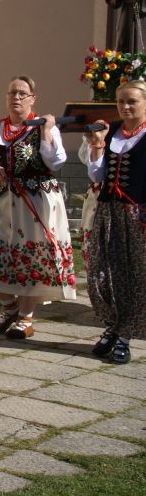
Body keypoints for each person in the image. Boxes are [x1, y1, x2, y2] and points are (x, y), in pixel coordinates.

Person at [0, 76, 76, 340]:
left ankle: (25, 317)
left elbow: (55, 162)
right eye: (12, 93)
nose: (16, 98)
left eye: (22, 93)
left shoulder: (43, 126)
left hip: (35, 202)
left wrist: (47, 132)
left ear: (32, 98)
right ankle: (10, 308)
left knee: (31, 258)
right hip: (1, 202)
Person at [82, 79, 146, 363]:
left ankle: (125, 336)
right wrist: (97, 145)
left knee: (133, 277)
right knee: (100, 273)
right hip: (108, 212)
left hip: (138, 215)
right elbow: (97, 175)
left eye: (132, 101)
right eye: (121, 101)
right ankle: (113, 325)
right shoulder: (112, 132)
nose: (125, 106)